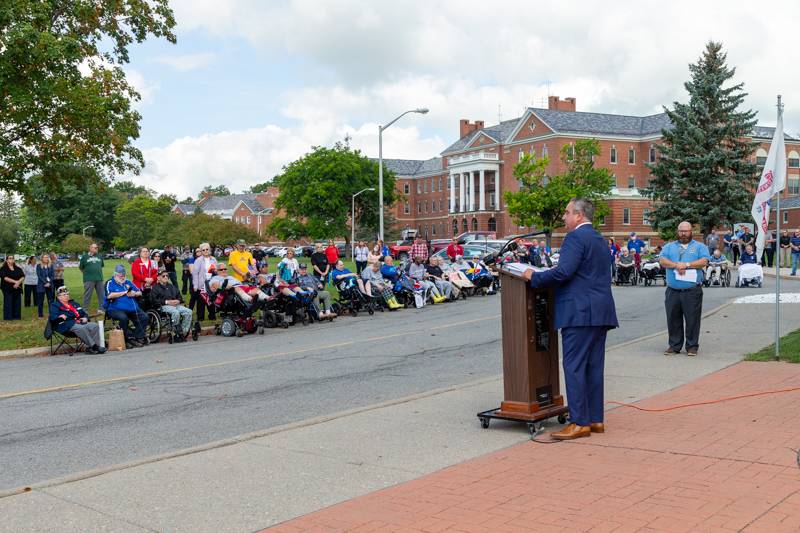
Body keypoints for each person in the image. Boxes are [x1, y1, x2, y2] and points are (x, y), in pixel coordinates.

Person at [523, 198, 618, 440]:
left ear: (578, 215)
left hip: (579, 313)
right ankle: (595, 420)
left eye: (566, 213)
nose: (563, 217)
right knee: (594, 367)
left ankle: (579, 423)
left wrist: (534, 277)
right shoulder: (598, 239)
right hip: (600, 311)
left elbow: (564, 272)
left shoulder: (575, 238)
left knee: (574, 366)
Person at [659, 221, 711, 356]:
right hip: (673, 290)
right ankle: (674, 345)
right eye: (681, 231)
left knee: (692, 319)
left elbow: (704, 261)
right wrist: (676, 265)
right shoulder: (669, 247)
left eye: (686, 231)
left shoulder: (700, 247)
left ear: (691, 232)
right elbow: (663, 261)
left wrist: (686, 264)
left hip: (692, 290)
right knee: (673, 318)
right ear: (678, 232)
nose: (683, 234)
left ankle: (692, 346)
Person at [49, 286, 106, 354]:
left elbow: (83, 313)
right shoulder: (55, 305)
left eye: (67, 294)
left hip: (80, 322)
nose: (67, 296)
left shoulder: (74, 303)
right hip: (66, 325)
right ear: (59, 297)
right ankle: (94, 347)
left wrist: (85, 318)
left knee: (94, 326)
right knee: (81, 328)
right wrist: (59, 316)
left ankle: (92, 348)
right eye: (64, 295)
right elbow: (53, 316)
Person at [104, 265, 148, 348]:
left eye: (124, 275)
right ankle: (126, 339)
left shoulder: (128, 282)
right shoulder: (110, 283)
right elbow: (109, 295)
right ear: (115, 275)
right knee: (123, 318)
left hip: (131, 308)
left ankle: (137, 337)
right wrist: (124, 292)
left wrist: (134, 294)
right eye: (120, 275)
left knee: (144, 317)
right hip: (115, 308)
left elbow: (139, 292)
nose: (122, 277)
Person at [150, 268, 193, 341]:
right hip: (163, 306)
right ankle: (174, 332)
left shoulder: (172, 286)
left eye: (167, 276)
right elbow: (154, 300)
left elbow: (179, 296)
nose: (166, 277)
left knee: (188, 312)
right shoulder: (155, 288)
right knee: (175, 312)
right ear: (158, 278)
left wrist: (178, 300)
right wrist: (167, 302)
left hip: (176, 305)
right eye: (163, 276)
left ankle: (182, 332)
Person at [189, 243, 217, 321]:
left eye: (207, 249)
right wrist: (195, 285)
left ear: (209, 249)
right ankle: (200, 318)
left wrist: (215, 271)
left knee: (211, 300)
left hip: (211, 283)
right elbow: (195, 274)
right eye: (203, 250)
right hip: (201, 284)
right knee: (201, 302)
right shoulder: (198, 260)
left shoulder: (213, 259)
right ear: (201, 251)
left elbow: (217, 271)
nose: (205, 251)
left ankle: (212, 316)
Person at [1, 255, 24, 320]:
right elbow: (5, 278)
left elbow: (22, 276)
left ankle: (16, 316)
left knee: (17, 302)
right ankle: (8, 317)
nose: (11, 259)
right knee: (8, 302)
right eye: (10, 258)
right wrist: (15, 282)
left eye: (12, 258)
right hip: (7, 288)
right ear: (7, 260)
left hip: (17, 288)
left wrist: (18, 282)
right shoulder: (3, 268)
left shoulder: (18, 268)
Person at [36, 252, 55, 318]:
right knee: (40, 301)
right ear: (42, 258)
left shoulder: (51, 265)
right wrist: (45, 283)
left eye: (47, 257)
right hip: (41, 285)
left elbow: (52, 275)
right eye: (45, 257)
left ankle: (51, 314)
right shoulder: (39, 266)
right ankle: (40, 315)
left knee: (51, 301)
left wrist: (49, 283)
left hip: (50, 285)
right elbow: (39, 275)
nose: (46, 258)